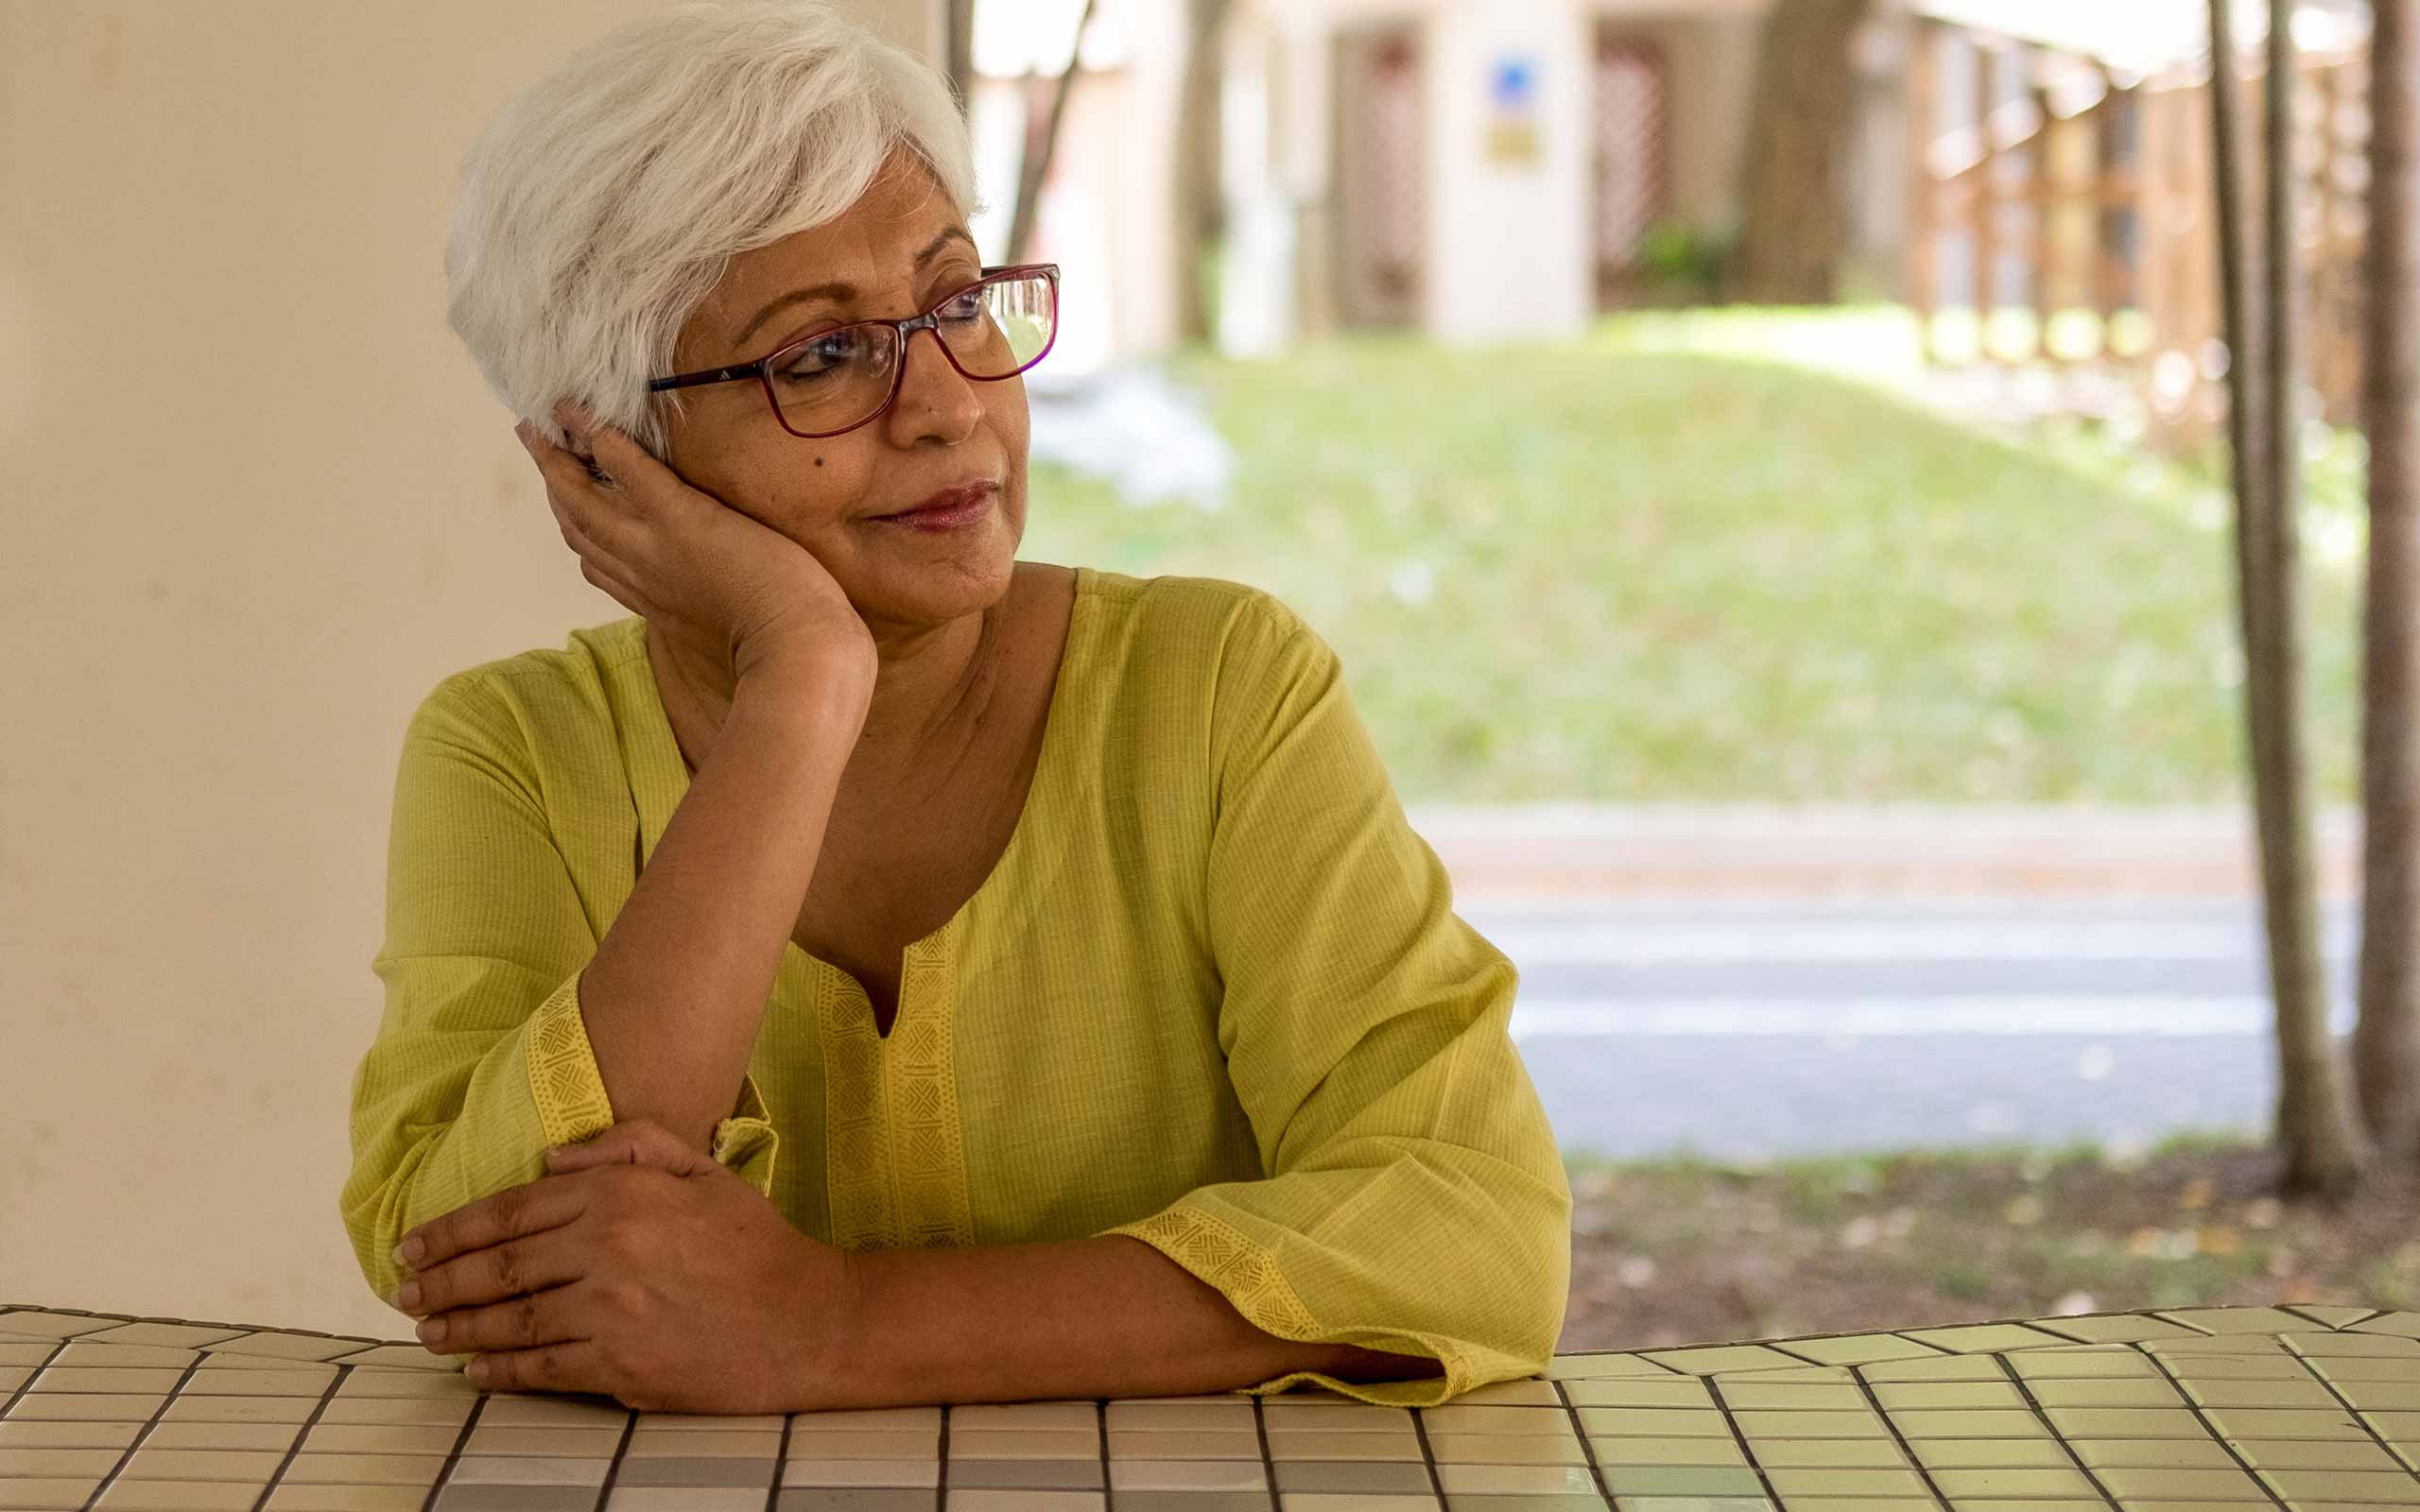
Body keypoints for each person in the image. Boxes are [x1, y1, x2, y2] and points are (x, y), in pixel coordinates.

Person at [338, 0, 1569, 1414]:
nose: (949, 405)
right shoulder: (513, 754)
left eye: (958, 301)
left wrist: (838, 1329)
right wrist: (801, 684)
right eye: (819, 356)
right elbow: (473, 1254)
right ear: (603, 457)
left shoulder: (1218, 689)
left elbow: (1475, 1234)